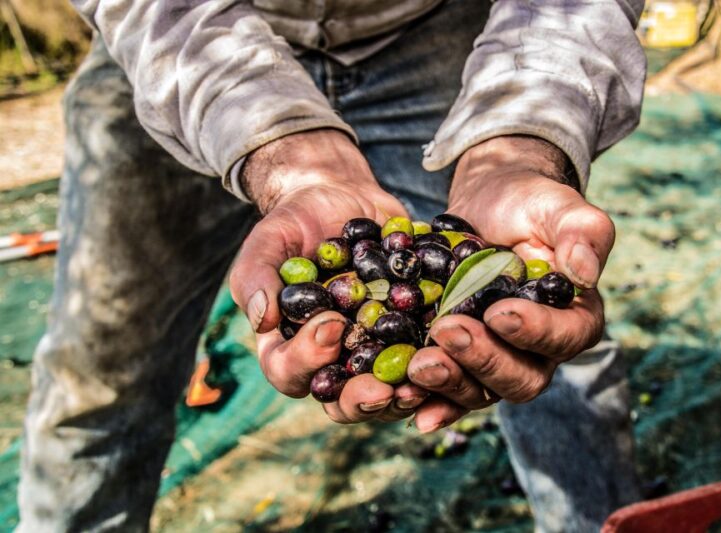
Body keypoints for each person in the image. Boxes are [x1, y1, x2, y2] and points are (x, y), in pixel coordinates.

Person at [17, 0, 646, 531]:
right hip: (182, 38)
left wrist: (523, 139)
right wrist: (274, 139)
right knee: (98, 371)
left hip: (438, 30)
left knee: (542, 341)